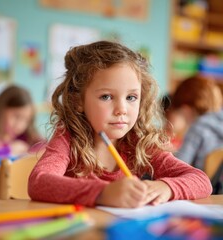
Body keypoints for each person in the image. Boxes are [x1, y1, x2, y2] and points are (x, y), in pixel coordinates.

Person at [28, 41, 212, 208]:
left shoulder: (138, 142)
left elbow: (201, 181)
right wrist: (103, 193)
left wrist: (166, 187)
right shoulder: (68, 138)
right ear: (79, 101)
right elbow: (39, 182)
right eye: (106, 97)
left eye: (131, 97)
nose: (122, 109)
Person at [170, 75, 223, 170]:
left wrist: (166, 155)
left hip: (207, 183)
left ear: (186, 109)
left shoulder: (198, 127)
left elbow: (178, 166)